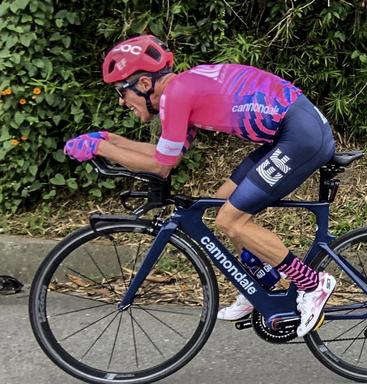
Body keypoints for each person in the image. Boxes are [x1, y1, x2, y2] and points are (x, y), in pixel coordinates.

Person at [62, 34, 337, 337]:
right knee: (220, 204)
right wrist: (107, 139)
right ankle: (259, 284)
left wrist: (100, 149)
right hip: (288, 132)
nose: (120, 100)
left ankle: (312, 283)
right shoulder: (179, 92)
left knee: (230, 219)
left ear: (143, 84)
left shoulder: (177, 94)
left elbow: (161, 167)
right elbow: (165, 155)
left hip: (300, 137)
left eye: (120, 90)